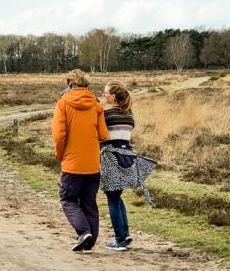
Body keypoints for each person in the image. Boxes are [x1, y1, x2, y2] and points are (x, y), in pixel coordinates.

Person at [52, 69, 108, 252]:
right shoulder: (96, 104)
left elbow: (59, 136)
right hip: (92, 164)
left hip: (72, 164)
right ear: (86, 84)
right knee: (89, 203)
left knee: (67, 199)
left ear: (70, 84)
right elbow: (103, 134)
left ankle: (84, 232)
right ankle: (89, 242)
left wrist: (60, 155)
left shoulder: (63, 103)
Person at [100, 81, 156, 251]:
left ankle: (120, 240)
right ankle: (125, 234)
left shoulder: (107, 115)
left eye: (105, 93)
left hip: (111, 159)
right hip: (127, 159)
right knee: (117, 197)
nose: (103, 96)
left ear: (113, 96)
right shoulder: (129, 115)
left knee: (112, 198)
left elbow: (100, 135)